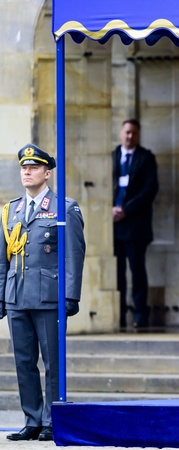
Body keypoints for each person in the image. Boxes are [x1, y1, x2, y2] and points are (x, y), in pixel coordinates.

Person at [0, 145, 85, 441]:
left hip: (49, 297)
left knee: (52, 362)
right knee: (24, 362)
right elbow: (3, 259)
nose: (27, 172)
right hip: (17, 296)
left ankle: (51, 419)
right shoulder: (11, 211)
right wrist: (1, 296)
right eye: (24, 168)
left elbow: (74, 254)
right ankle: (32, 419)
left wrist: (71, 295)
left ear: (47, 173)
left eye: (34, 167)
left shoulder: (65, 207)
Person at [112, 119, 159, 328]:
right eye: (127, 132)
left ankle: (140, 314)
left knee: (137, 270)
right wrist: (110, 209)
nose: (130, 136)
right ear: (121, 133)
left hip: (136, 225)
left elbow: (150, 190)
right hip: (113, 225)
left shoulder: (146, 158)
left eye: (134, 133)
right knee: (116, 272)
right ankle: (119, 313)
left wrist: (126, 210)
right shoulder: (112, 156)